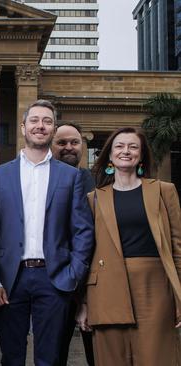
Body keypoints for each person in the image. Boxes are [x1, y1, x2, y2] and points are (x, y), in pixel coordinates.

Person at [0, 99, 94, 366]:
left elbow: (82, 231)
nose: (40, 126)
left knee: (50, 357)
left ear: (53, 129)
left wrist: (73, 274)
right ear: (23, 127)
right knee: (11, 356)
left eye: (47, 121)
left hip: (54, 278)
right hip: (10, 280)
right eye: (34, 120)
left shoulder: (70, 177)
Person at [76, 127, 181, 366]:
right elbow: (86, 252)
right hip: (106, 288)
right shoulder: (93, 199)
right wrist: (83, 303)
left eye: (133, 147)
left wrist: (179, 294)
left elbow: (178, 247)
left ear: (141, 155)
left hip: (154, 288)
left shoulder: (164, 191)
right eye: (119, 146)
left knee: (158, 358)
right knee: (111, 358)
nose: (126, 151)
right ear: (110, 156)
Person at [51, 122, 95, 366]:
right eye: (62, 143)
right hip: (54, 283)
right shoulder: (42, 181)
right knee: (54, 353)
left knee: (95, 353)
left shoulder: (91, 181)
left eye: (74, 143)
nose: (69, 147)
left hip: (89, 282)